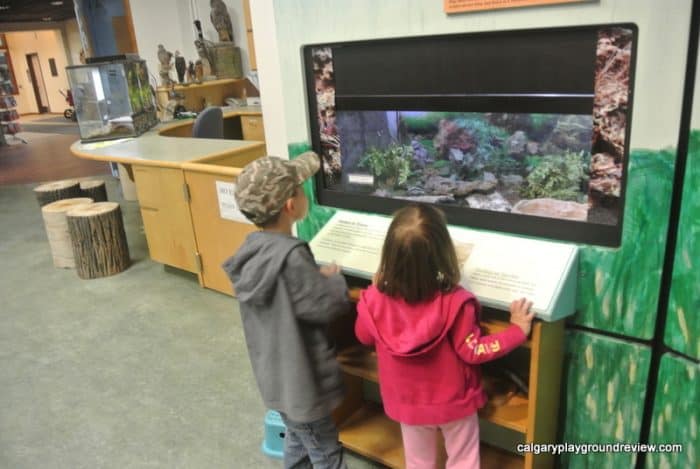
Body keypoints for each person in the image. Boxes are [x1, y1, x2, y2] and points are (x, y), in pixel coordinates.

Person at [355, 204, 535, 469]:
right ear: (443, 253)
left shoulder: (374, 300)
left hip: (408, 405)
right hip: (454, 405)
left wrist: (374, 292)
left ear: (389, 255)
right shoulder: (456, 303)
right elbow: (474, 350)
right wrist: (516, 331)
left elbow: (363, 336)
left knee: (417, 463)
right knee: (463, 461)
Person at [222, 151, 351, 469]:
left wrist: (310, 277)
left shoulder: (253, 252)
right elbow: (325, 305)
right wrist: (335, 281)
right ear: (291, 206)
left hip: (276, 383)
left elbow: (289, 292)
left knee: (298, 439)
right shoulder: (292, 257)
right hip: (302, 386)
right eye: (300, 187)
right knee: (325, 452)